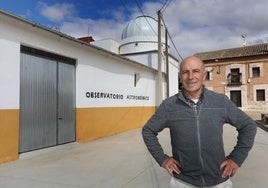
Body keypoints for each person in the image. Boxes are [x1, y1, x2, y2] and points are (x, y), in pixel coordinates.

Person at [142, 56, 257, 188]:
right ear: (180, 76)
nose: (191, 77)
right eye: (185, 72)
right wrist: (162, 159)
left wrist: (236, 158)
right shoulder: (169, 106)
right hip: (182, 182)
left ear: (204, 75)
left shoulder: (221, 102)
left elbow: (248, 126)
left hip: (219, 181)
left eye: (196, 71)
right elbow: (148, 131)